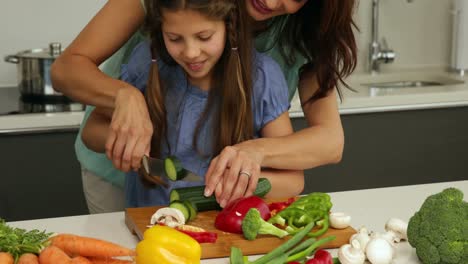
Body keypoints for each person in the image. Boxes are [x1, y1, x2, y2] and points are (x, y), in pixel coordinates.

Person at [51, 0, 358, 212]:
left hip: (214, 202)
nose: (271, 1)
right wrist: (125, 96)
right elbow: (67, 70)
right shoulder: (149, 55)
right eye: (175, 38)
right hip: (125, 184)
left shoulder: (280, 58)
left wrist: (254, 153)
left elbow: (330, 142)